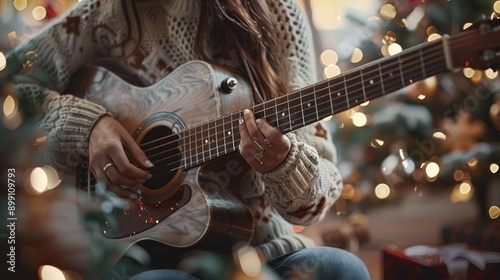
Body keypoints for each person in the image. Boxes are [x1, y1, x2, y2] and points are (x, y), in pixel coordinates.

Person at [4, 0, 371, 279]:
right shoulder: (105, 13)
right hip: (139, 253)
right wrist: (88, 127)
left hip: (263, 247)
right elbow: (11, 86)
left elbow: (314, 199)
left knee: (341, 269)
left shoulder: (277, 11)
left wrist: (285, 163)